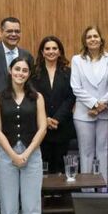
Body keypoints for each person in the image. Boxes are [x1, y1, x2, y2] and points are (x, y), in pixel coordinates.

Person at [0, 57, 47, 214]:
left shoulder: (37, 97)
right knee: (9, 207)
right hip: (6, 155)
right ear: (10, 70)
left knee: (32, 207)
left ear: (29, 74)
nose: (20, 73)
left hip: (32, 155)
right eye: (17, 69)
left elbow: (42, 127)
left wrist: (28, 152)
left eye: (24, 70)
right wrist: (13, 155)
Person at [70, 25, 108, 187]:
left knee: (104, 152)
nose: (93, 39)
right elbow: (76, 87)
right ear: (85, 40)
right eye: (89, 37)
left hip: (105, 113)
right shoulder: (77, 60)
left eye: (95, 36)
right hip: (84, 114)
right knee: (86, 153)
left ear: (101, 39)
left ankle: (103, 190)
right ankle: (86, 191)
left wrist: (100, 106)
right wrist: (94, 104)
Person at [31, 36, 75, 174]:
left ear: (60, 51)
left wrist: (57, 118)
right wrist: (45, 118)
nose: (51, 51)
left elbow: (70, 97)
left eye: (54, 48)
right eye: (47, 49)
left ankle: (60, 195)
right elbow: (31, 96)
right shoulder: (33, 72)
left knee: (60, 165)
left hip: (62, 125)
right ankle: (45, 195)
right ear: (42, 52)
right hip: (40, 127)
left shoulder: (68, 72)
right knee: (43, 165)